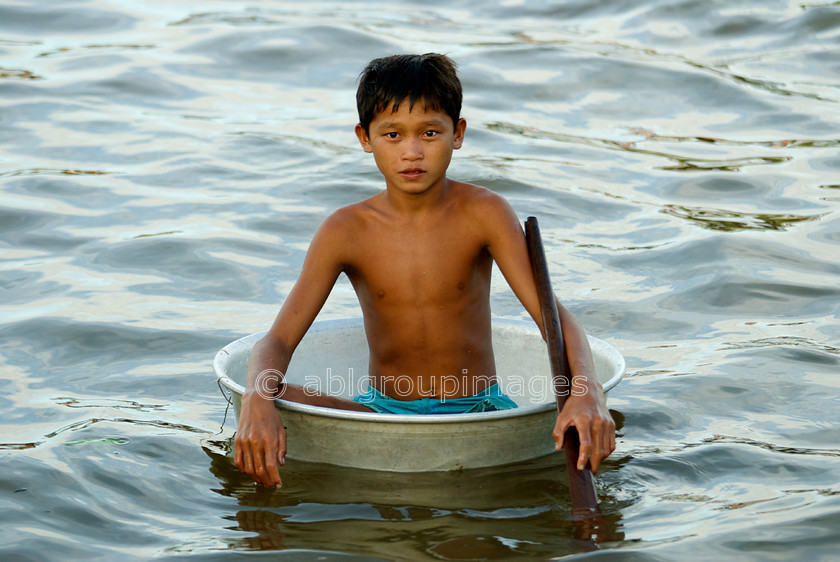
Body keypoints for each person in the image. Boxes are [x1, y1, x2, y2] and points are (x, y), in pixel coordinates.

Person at [234, 53, 615, 487]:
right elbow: (277, 341)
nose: (412, 152)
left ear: (458, 134)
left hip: (478, 410)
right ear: (365, 138)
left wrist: (588, 393)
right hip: (381, 411)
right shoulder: (345, 230)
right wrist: (255, 401)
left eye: (430, 133)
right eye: (392, 135)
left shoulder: (484, 214)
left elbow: (555, 321)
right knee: (271, 390)